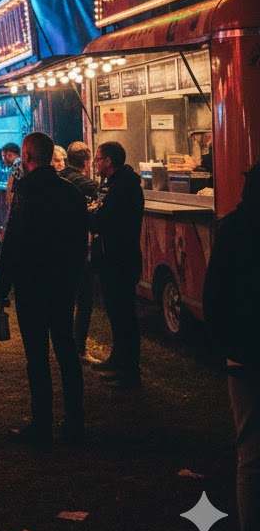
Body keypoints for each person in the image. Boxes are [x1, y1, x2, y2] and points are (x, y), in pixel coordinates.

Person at [0, 132, 88, 447]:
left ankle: (42, 422)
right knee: (66, 350)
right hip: (63, 283)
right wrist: (75, 275)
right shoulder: (71, 193)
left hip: (33, 284)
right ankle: (75, 420)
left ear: (27, 155)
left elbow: (15, 240)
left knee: (37, 355)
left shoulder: (27, 191)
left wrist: (3, 282)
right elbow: (80, 242)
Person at [203, 162, 260, 531]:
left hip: (244, 351)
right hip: (243, 346)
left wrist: (224, 346)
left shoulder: (234, 227)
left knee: (251, 454)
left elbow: (214, 294)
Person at [91, 140, 145, 389]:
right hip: (109, 256)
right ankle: (118, 359)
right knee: (114, 311)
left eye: (98, 159)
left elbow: (103, 218)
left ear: (109, 161)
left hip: (121, 258)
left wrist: (91, 215)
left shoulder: (123, 187)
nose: (95, 163)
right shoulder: (111, 184)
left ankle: (129, 370)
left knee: (124, 314)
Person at [61, 141, 100, 359]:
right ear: (86, 161)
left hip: (59, 246)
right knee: (84, 299)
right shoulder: (87, 184)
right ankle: (79, 349)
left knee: (65, 299)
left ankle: (65, 344)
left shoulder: (59, 179)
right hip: (78, 246)